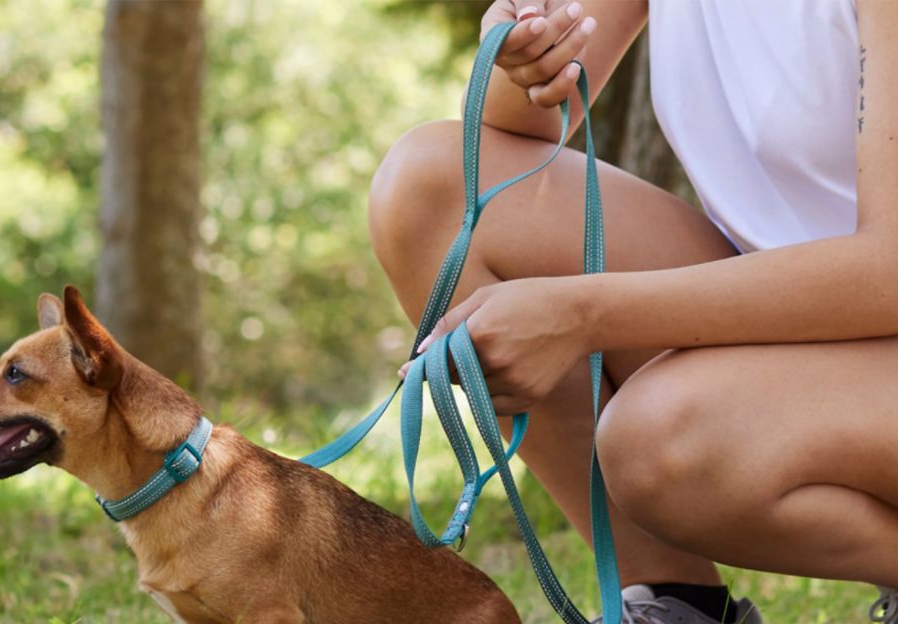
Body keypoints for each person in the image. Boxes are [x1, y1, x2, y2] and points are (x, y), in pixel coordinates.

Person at [370, 0, 898, 622]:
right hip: (813, 323)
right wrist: (524, 53)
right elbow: (509, 135)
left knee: (662, 438)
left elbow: (888, 268)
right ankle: (676, 604)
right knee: (431, 189)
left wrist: (584, 315)